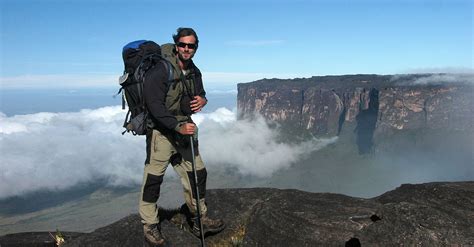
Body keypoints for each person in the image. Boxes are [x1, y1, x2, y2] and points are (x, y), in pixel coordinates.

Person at [139, 27, 225, 246]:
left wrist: (203, 100)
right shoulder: (160, 69)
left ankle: (198, 219)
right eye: (183, 44)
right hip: (162, 132)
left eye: (191, 45)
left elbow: (199, 95)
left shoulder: (194, 71)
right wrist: (177, 127)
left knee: (198, 172)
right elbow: (155, 106)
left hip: (184, 128)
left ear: (196, 48)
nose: (186, 49)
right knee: (153, 180)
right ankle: (150, 225)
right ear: (176, 45)